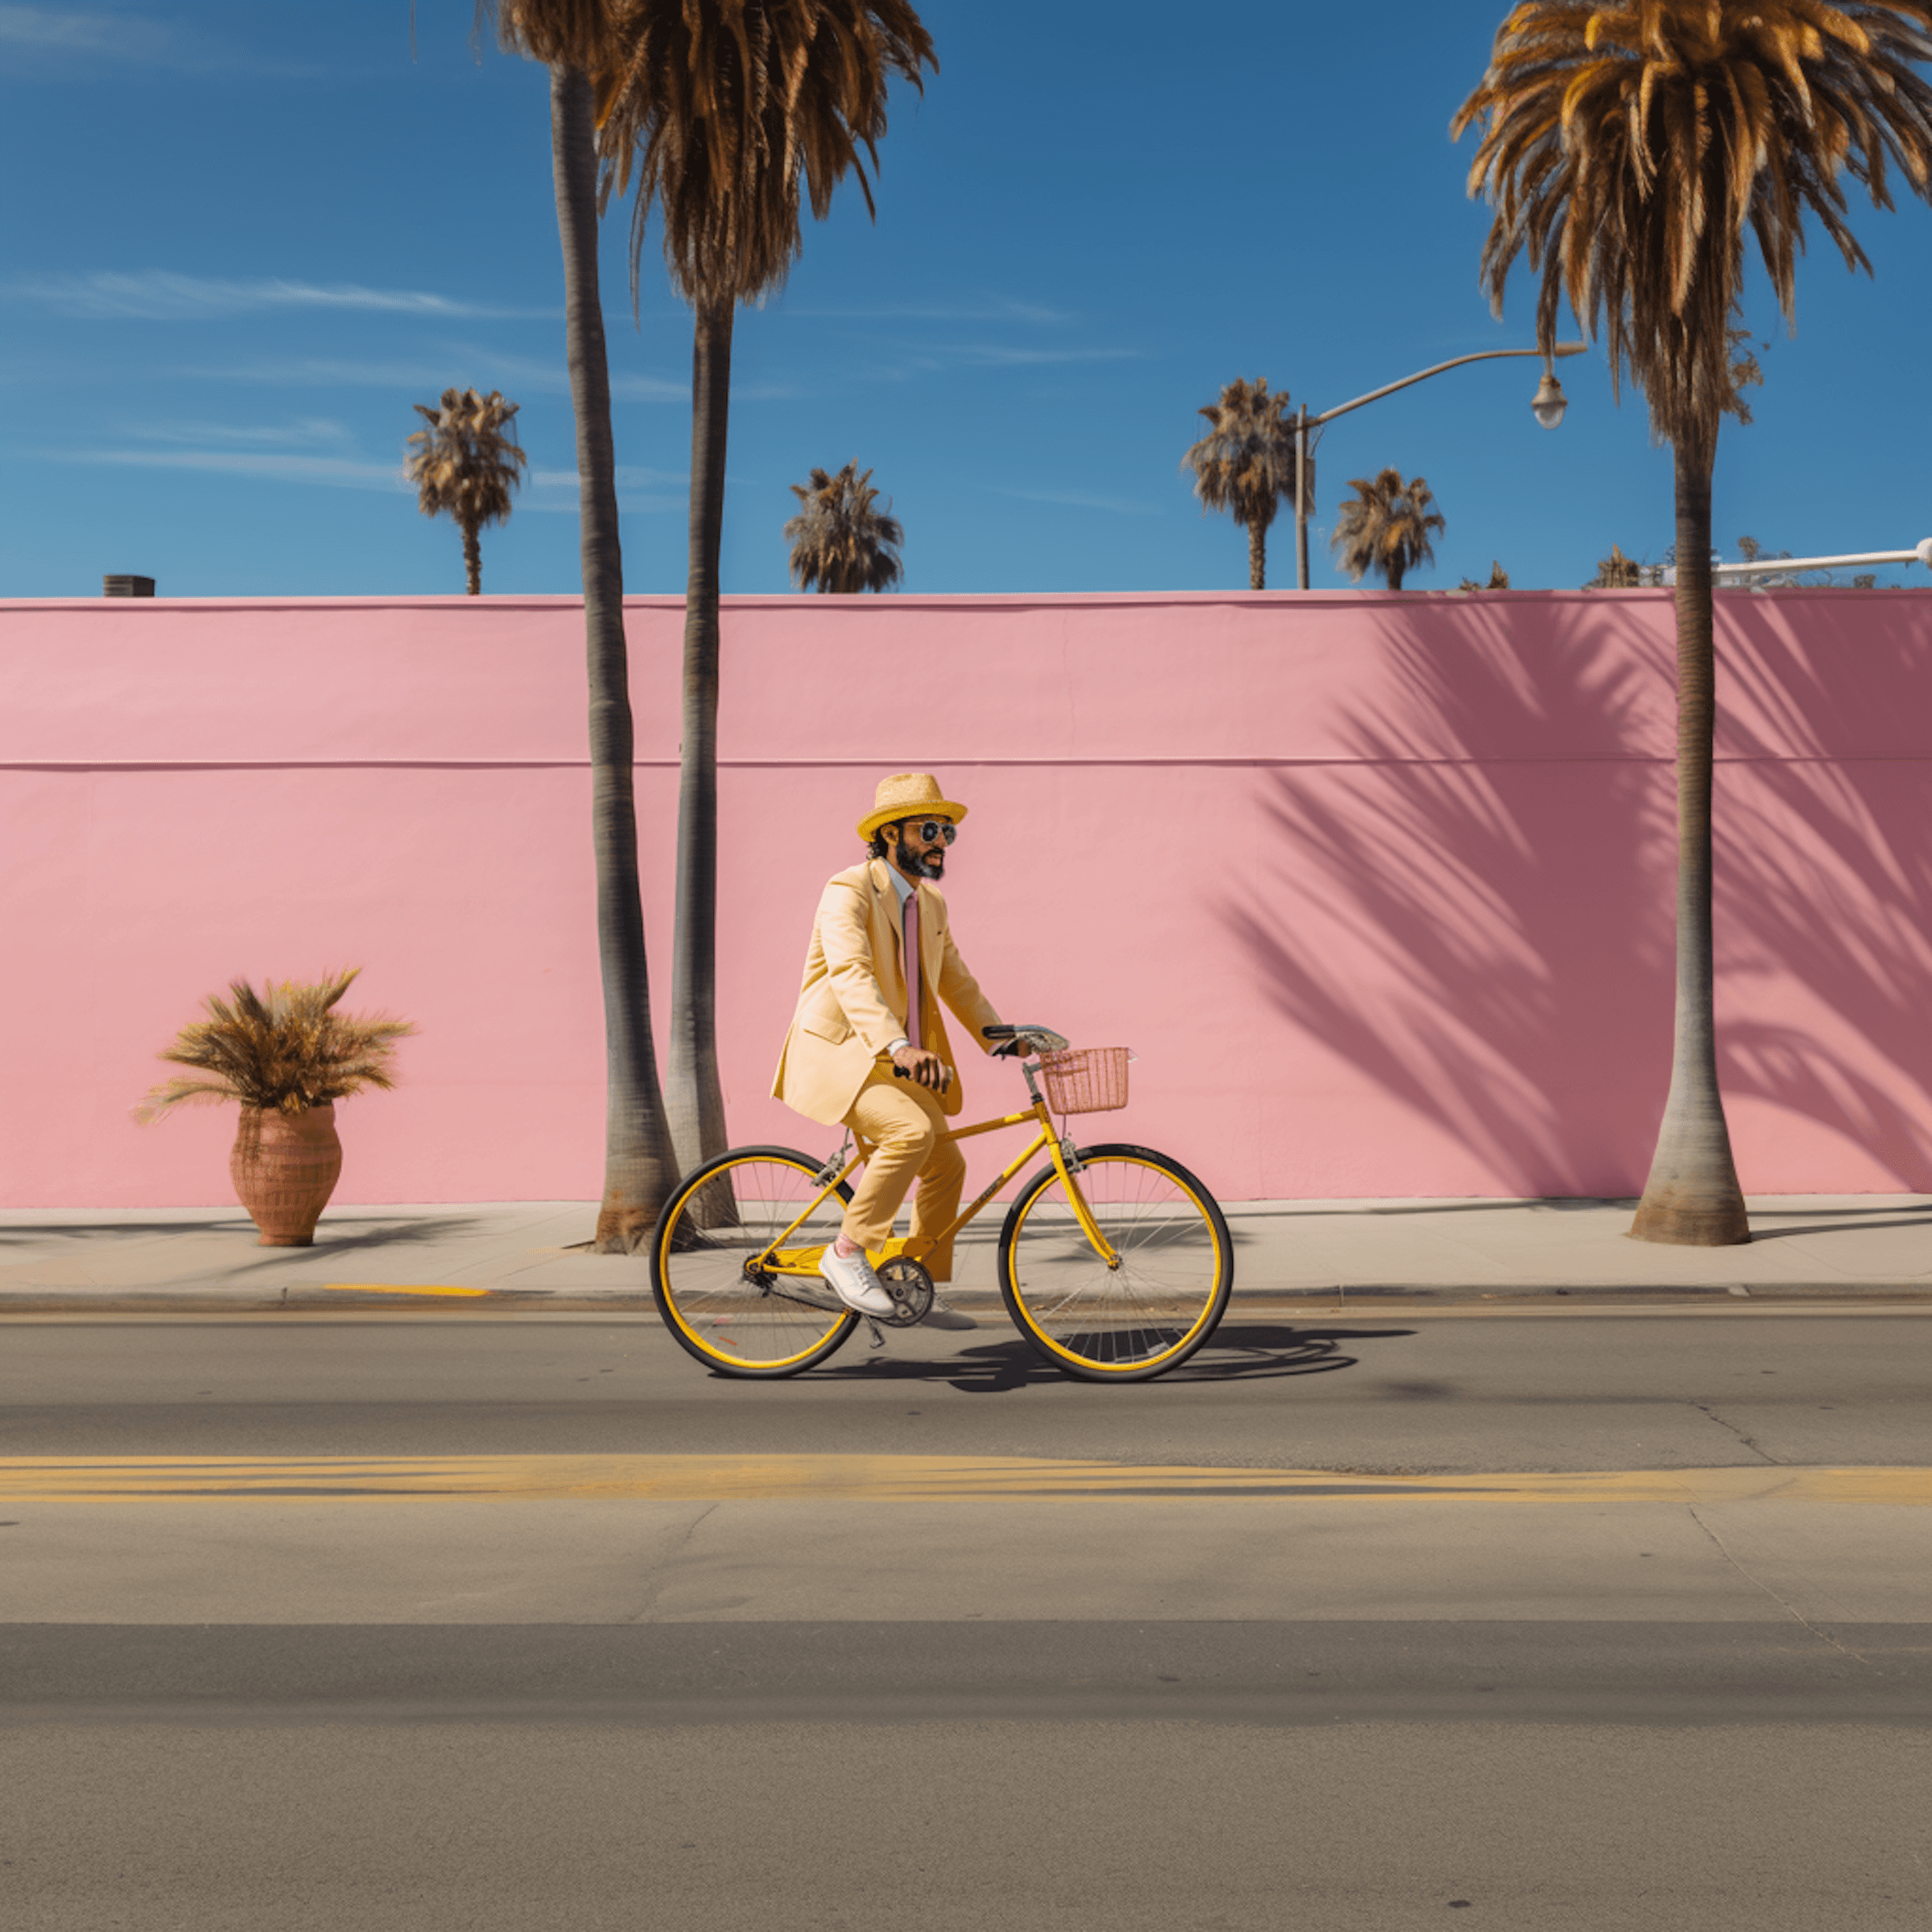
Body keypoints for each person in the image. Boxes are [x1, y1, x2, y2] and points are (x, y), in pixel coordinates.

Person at [771, 772, 1017, 1330]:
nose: (940, 842)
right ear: (888, 834)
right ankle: (848, 1252)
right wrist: (898, 1045)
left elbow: (957, 982)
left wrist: (1005, 1036)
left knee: (947, 1165)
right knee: (910, 1134)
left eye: (947, 833)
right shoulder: (849, 889)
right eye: (929, 829)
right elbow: (851, 974)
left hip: (896, 1064)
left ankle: (911, 1283)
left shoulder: (931, 906)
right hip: (843, 1054)